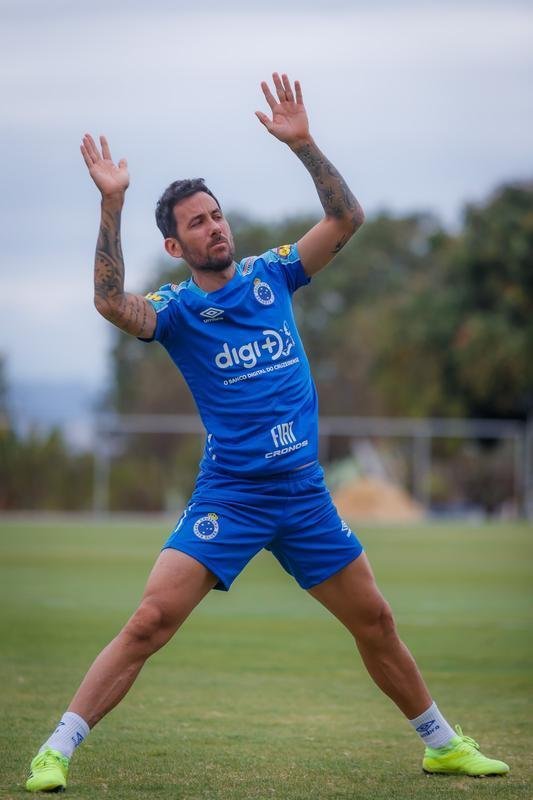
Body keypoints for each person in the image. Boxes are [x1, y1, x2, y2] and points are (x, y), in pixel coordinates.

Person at [26, 73, 509, 793]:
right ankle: (56, 749)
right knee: (151, 620)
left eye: (216, 215)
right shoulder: (178, 312)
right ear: (175, 241)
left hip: (303, 494)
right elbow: (106, 300)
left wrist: (305, 145)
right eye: (197, 222)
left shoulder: (272, 276)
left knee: (374, 621)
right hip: (233, 492)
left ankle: (440, 743)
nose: (214, 226)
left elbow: (346, 220)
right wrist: (112, 203)